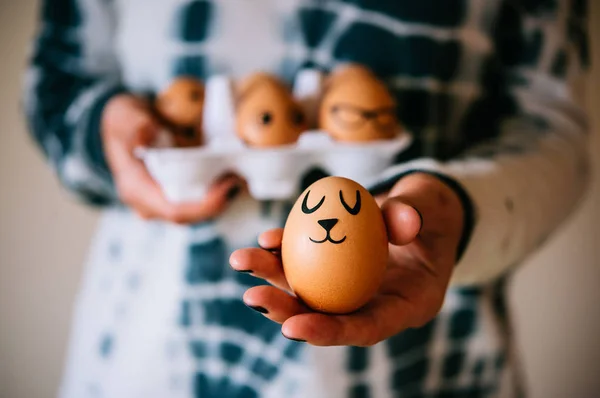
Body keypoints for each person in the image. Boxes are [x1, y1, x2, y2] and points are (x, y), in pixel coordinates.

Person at [23, 0, 590, 397]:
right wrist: (102, 131)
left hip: (428, 360)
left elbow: (557, 133)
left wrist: (456, 207)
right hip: (158, 358)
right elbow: (55, 81)